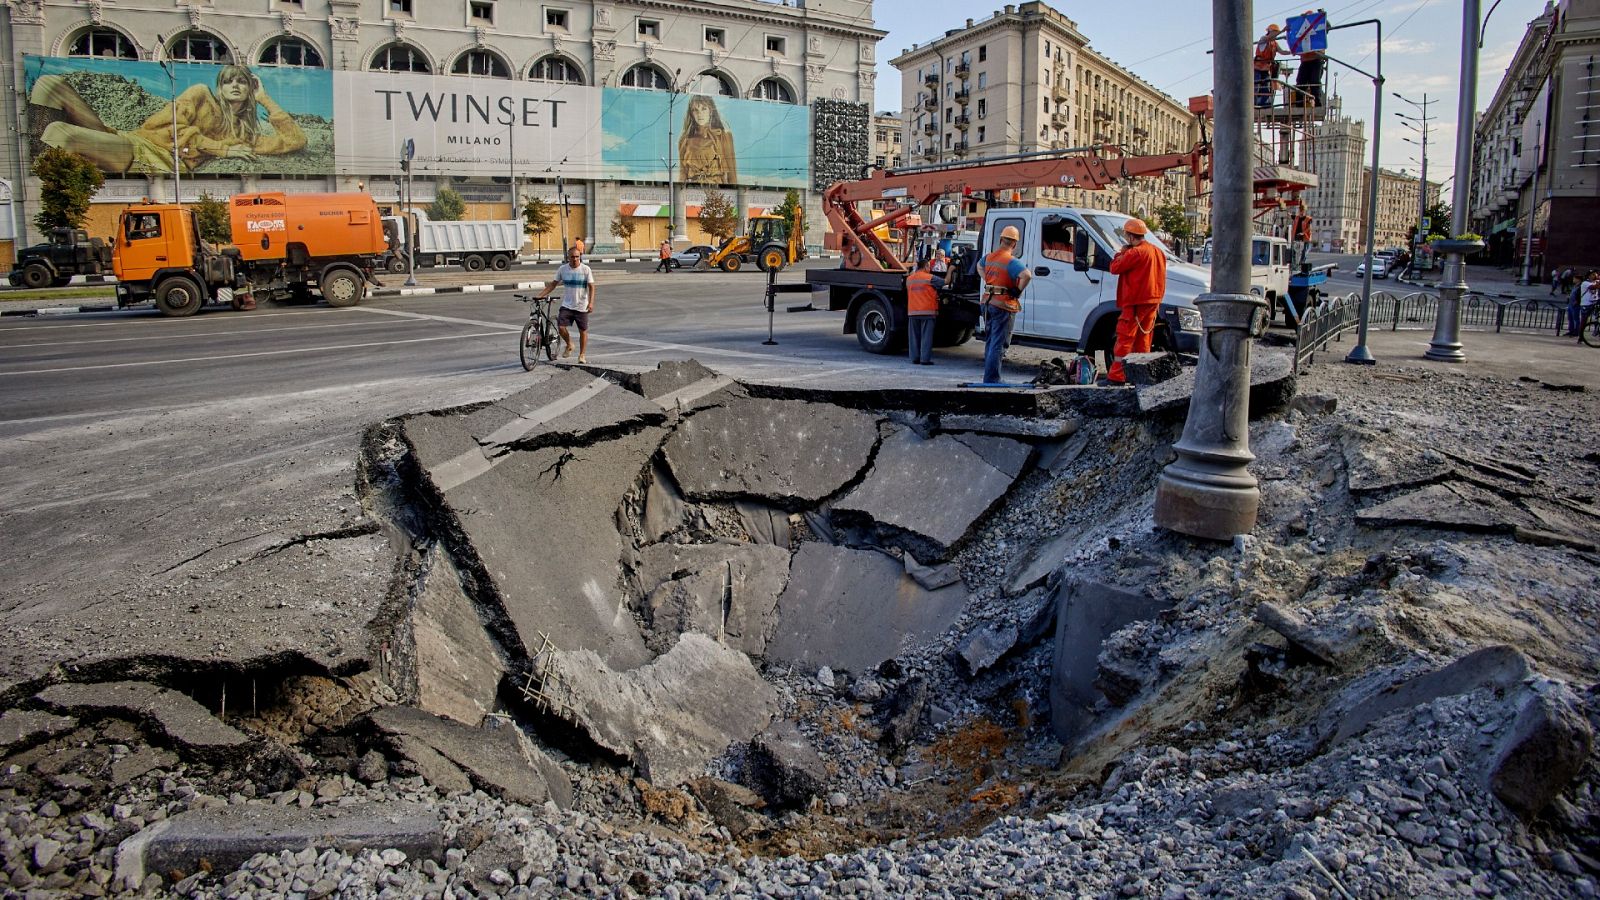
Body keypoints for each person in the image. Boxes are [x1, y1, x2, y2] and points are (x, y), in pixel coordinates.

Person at [29, 66, 305, 175]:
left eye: (243, 82)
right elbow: (161, 125)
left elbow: (295, 141)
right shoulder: (199, 94)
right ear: (219, 87)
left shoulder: (246, 136)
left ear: (249, 90)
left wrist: (265, 99)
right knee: (49, 83)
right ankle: (41, 169)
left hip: (148, 159)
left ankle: (44, 168)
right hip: (131, 140)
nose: (235, 86)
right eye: (228, 81)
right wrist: (221, 148)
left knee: (61, 134)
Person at [1106, 218, 1166, 385]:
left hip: (1135, 302)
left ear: (1131, 237)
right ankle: (1140, 376)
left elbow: (1114, 267)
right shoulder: (1157, 251)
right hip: (1152, 300)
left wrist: (1121, 252)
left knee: (1125, 337)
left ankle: (1117, 377)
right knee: (1144, 339)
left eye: (1126, 235)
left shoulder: (1135, 253)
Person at [980, 225, 1031, 384]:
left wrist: (988, 280)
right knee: (998, 343)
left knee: (990, 340)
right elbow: (1026, 275)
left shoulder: (989, 257)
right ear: (1014, 244)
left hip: (987, 302)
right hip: (1003, 305)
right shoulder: (1011, 261)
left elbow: (979, 267)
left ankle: (989, 377)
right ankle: (992, 379)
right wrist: (1017, 290)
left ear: (1001, 239)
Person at [537, 245, 597, 364]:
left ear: (580, 257)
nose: (575, 259)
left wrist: (591, 303)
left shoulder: (586, 269)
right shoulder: (563, 269)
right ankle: (569, 344)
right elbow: (553, 284)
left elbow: (591, 287)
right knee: (561, 327)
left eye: (577, 257)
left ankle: (582, 355)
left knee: (583, 331)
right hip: (567, 305)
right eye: (572, 257)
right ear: (568, 257)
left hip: (581, 306)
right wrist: (540, 295)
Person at [679, 96, 737, 185]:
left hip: (716, 190)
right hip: (692, 189)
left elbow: (732, 174)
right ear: (691, 114)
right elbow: (683, 173)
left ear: (711, 111)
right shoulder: (684, 140)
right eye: (695, 110)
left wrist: (732, 194)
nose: (700, 114)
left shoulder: (723, 136)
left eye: (704, 109)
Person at [906, 255, 945, 366]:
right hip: (927, 311)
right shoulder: (930, 278)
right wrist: (951, 270)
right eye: (929, 266)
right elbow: (944, 282)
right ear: (926, 266)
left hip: (913, 312)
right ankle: (925, 360)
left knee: (913, 337)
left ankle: (914, 358)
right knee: (926, 337)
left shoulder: (909, 279)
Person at [1254, 25, 1283, 109]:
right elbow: (1268, 38)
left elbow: (1282, 51)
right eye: (1275, 33)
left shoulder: (1274, 44)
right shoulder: (1263, 39)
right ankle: (1254, 104)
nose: (1276, 35)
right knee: (1256, 87)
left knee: (1266, 88)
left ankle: (1265, 105)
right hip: (1257, 68)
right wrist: (1283, 31)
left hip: (1266, 69)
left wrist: (1293, 51)